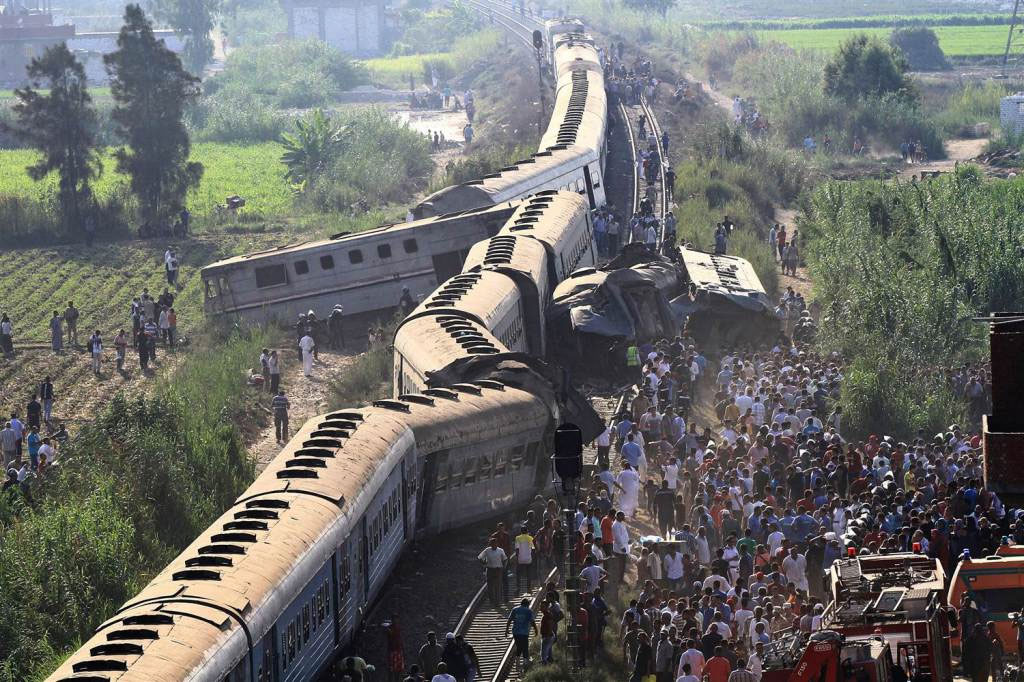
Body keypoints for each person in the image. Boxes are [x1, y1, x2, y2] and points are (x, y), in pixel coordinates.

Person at [506, 597, 537, 667]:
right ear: (527, 604)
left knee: (519, 646)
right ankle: (525, 662)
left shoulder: (515, 609)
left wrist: (506, 630)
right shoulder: (528, 611)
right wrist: (536, 630)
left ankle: (517, 663)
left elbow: (509, 620)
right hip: (524, 632)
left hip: (516, 632)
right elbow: (532, 621)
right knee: (525, 646)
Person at [479, 537, 508, 607]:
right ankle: (492, 600)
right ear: (490, 544)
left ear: (497, 544)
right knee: (490, 587)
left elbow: (505, 559)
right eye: (492, 544)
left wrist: (504, 567)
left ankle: (497, 602)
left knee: (498, 586)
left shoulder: (500, 550)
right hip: (490, 570)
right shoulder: (487, 550)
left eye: (495, 544)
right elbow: (480, 557)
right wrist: (484, 563)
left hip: (498, 569)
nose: (493, 545)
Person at [385, 617, 405, 682]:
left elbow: (400, 639)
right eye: (394, 619)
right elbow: (389, 639)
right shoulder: (390, 628)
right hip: (392, 651)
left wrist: (403, 651)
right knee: (391, 670)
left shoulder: (398, 627)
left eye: (396, 619)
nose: (395, 621)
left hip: (398, 650)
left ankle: (396, 680)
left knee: (398, 670)